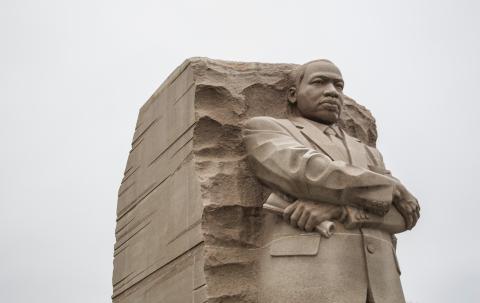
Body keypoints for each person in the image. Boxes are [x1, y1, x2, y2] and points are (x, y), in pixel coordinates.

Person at [243, 59, 420, 303]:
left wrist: (339, 210)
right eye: (319, 82)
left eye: (339, 86)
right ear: (293, 94)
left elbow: (404, 216)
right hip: (311, 280)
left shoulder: (369, 153)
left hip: (383, 287)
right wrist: (391, 187)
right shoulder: (265, 129)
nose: (332, 92)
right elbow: (307, 172)